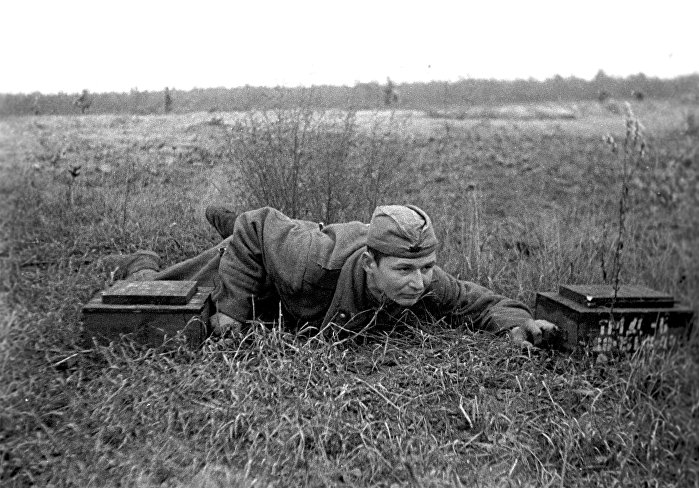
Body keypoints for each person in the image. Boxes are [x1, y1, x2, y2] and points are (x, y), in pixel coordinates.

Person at [105, 205, 557, 348]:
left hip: (294, 259)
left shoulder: (423, 280)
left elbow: (475, 301)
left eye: (425, 268)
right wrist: (231, 311)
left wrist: (520, 324)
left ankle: (225, 221)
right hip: (262, 268)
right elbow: (258, 226)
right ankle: (141, 260)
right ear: (370, 264)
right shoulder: (314, 261)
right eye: (404, 270)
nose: (419, 283)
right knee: (149, 293)